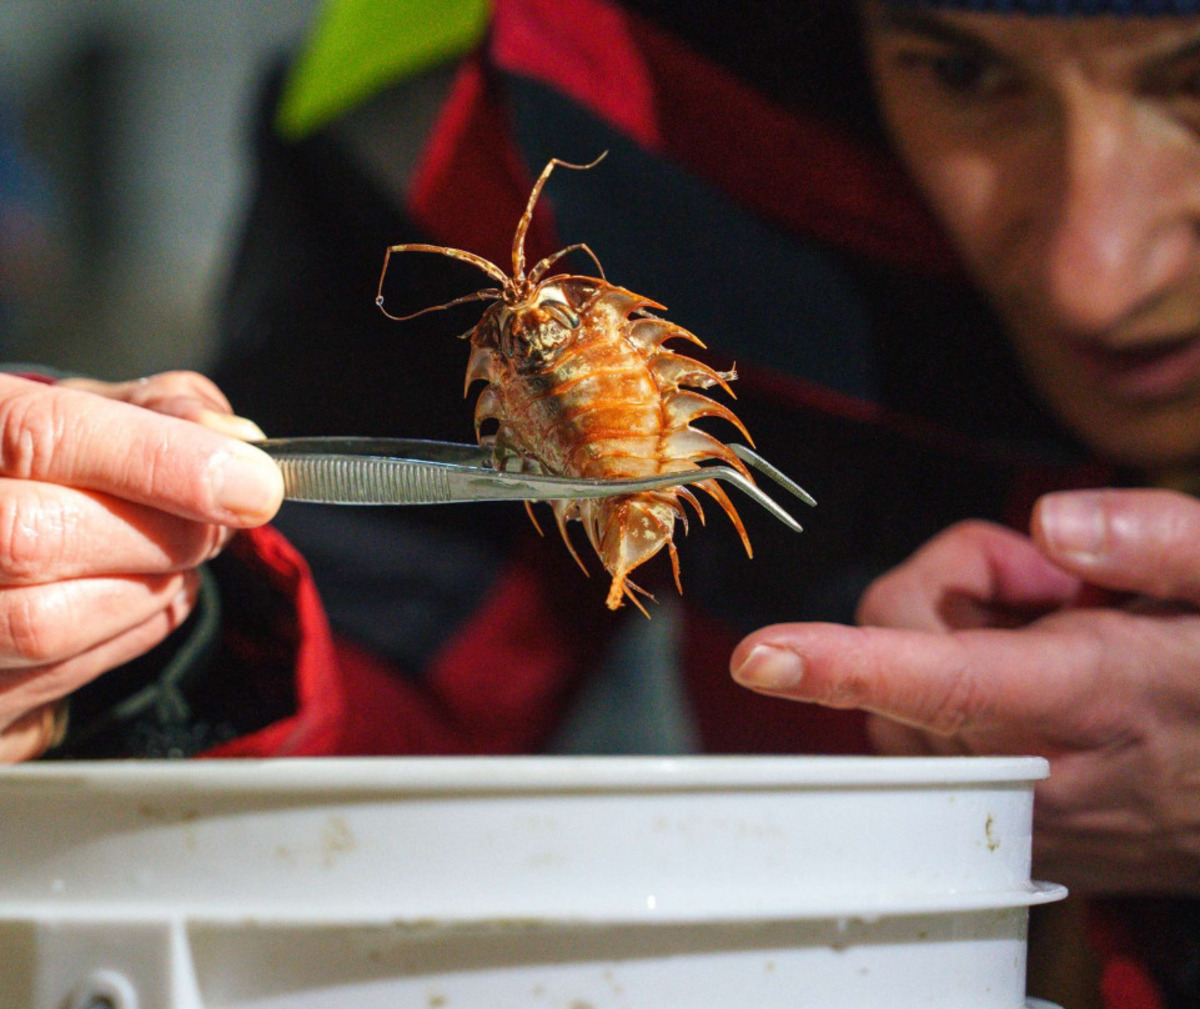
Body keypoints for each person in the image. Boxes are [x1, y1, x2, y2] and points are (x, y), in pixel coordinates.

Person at [3, 0, 1200, 1004]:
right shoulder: (478, 104)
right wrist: (137, 629)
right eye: (958, 67)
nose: (1094, 276)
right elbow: (381, 695)